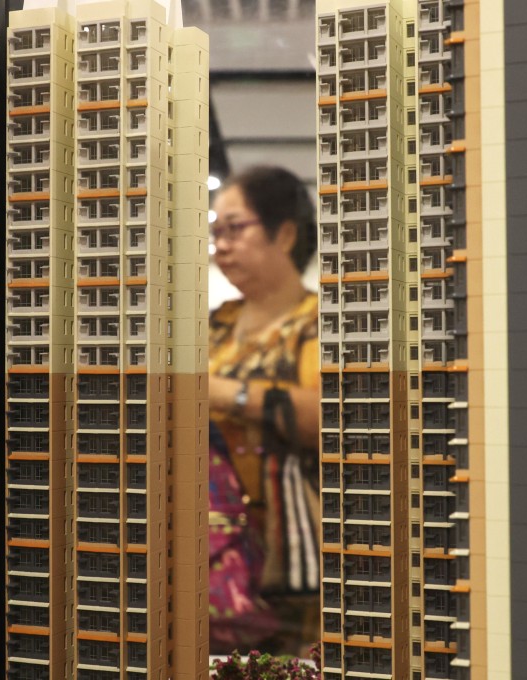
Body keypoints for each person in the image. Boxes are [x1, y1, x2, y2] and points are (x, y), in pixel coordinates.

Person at [208, 166, 320, 657]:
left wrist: (219, 393)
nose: (222, 245)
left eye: (235, 228)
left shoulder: (318, 322)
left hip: (293, 561)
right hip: (215, 566)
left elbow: (327, 415)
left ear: (286, 232)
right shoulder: (213, 325)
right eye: (215, 233)